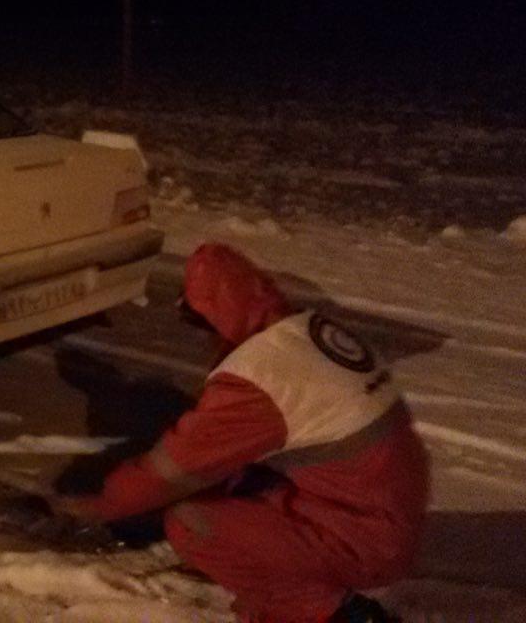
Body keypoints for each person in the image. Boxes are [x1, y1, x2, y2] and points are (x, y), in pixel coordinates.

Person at [56, 244, 429, 623]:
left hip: (365, 542)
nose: (204, 336)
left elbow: (171, 469)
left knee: (190, 521)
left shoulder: (260, 379)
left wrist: (98, 504)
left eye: (202, 321)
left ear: (218, 311)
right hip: (379, 513)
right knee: (232, 481)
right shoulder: (306, 329)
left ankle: (334, 612)